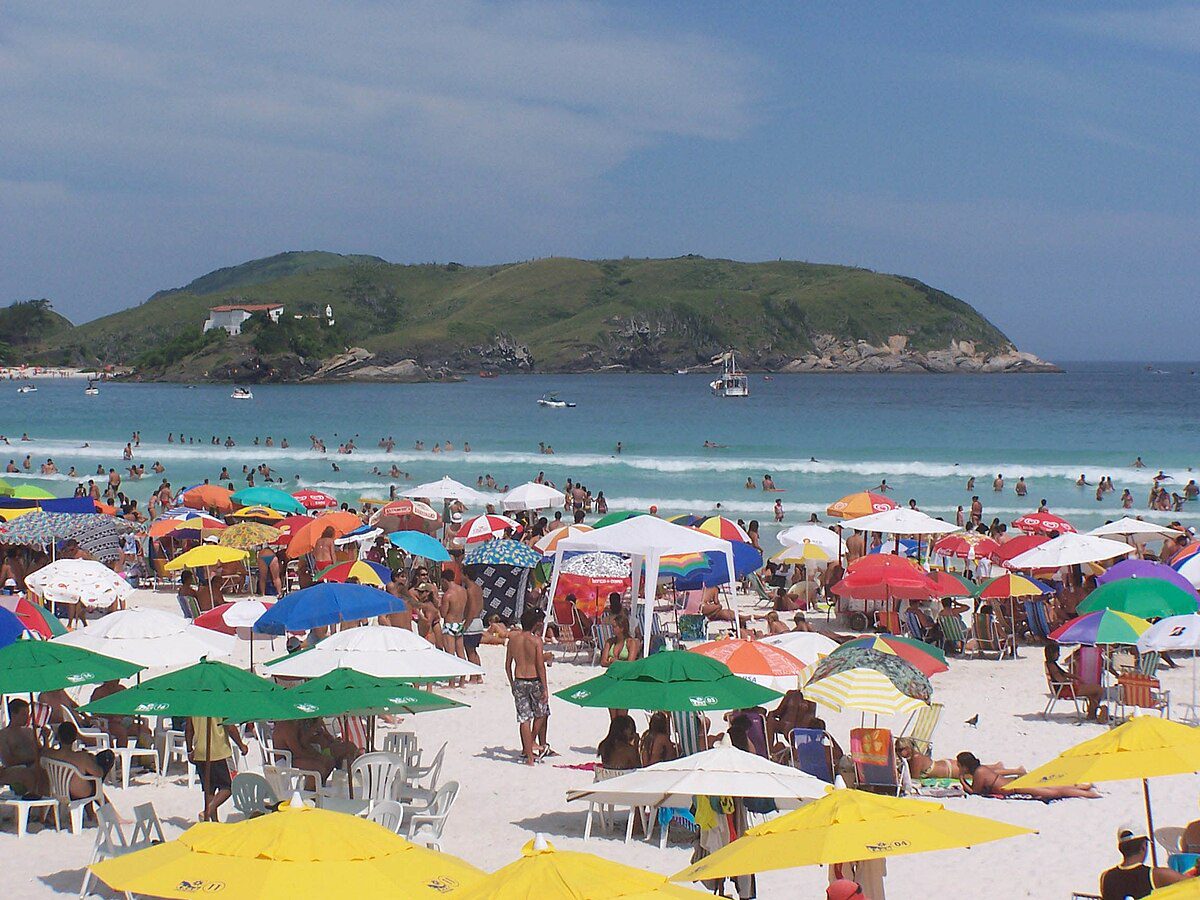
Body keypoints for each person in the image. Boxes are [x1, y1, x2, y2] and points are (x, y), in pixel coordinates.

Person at [505, 608, 550, 766]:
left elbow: (507, 665)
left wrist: (512, 683)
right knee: (541, 713)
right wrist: (545, 687)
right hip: (534, 680)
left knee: (524, 719)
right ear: (535, 624)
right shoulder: (536, 641)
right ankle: (530, 744)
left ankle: (529, 757)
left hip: (519, 680)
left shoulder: (513, 640)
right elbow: (540, 666)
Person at [956, 751, 1099, 799]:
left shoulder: (979, 773)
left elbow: (975, 792)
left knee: (1054, 792)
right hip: (1015, 783)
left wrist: (962, 780)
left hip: (1016, 787)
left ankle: (1089, 794)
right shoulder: (981, 769)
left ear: (964, 765)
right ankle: (1083, 787)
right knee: (1051, 787)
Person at [185, 716, 248, 821]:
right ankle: (207, 812)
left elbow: (189, 729)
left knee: (209, 789)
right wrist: (241, 745)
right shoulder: (220, 702)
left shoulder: (194, 705)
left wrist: (189, 750)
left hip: (201, 752)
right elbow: (230, 727)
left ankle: (214, 822)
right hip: (220, 752)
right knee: (231, 786)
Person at [1099, 829, 1194, 899]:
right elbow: (1194, 885)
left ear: (1121, 849)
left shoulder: (1106, 877)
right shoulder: (1157, 875)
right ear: (1144, 846)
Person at [43, 722, 113, 798]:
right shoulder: (82, 757)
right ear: (75, 738)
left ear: (58, 737)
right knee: (107, 756)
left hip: (58, 791)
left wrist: (45, 739)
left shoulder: (49, 754)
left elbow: (43, 753)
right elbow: (99, 774)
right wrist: (92, 760)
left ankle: (91, 809)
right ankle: (99, 805)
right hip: (79, 793)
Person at [1044, 642, 1105, 721]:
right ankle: (1092, 714)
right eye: (1057, 653)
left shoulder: (1051, 664)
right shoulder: (1052, 666)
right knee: (1098, 689)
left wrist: (1076, 677)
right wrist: (1071, 681)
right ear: (1052, 653)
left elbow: (1064, 674)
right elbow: (1060, 679)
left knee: (1093, 691)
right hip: (1066, 690)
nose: (1059, 655)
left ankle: (1092, 713)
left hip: (1065, 688)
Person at [0, 699, 46, 796]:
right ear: (13, 714)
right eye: (23, 714)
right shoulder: (4, 735)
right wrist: (32, 758)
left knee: (46, 770)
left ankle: (46, 807)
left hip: (35, 765)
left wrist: (45, 739)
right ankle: (33, 804)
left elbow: (42, 752)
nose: (27, 718)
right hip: (15, 769)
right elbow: (8, 761)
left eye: (28, 714)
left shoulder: (29, 732)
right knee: (30, 773)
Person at [600, 614, 641, 718]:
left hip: (624, 681)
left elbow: (630, 664)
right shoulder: (610, 642)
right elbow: (603, 662)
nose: (612, 629)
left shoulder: (631, 642)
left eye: (614, 626)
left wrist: (614, 661)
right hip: (611, 679)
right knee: (613, 718)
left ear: (622, 628)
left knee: (622, 716)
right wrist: (616, 662)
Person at [439, 569, 469, 686]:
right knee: (461, 653)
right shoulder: (463, 591)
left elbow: (443, 613)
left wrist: (439, 604)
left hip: (449, 624)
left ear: (444, 580)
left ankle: (451, 682)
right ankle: (462, 681)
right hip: (459, 623)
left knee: (450, 654)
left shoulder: (448, 595)